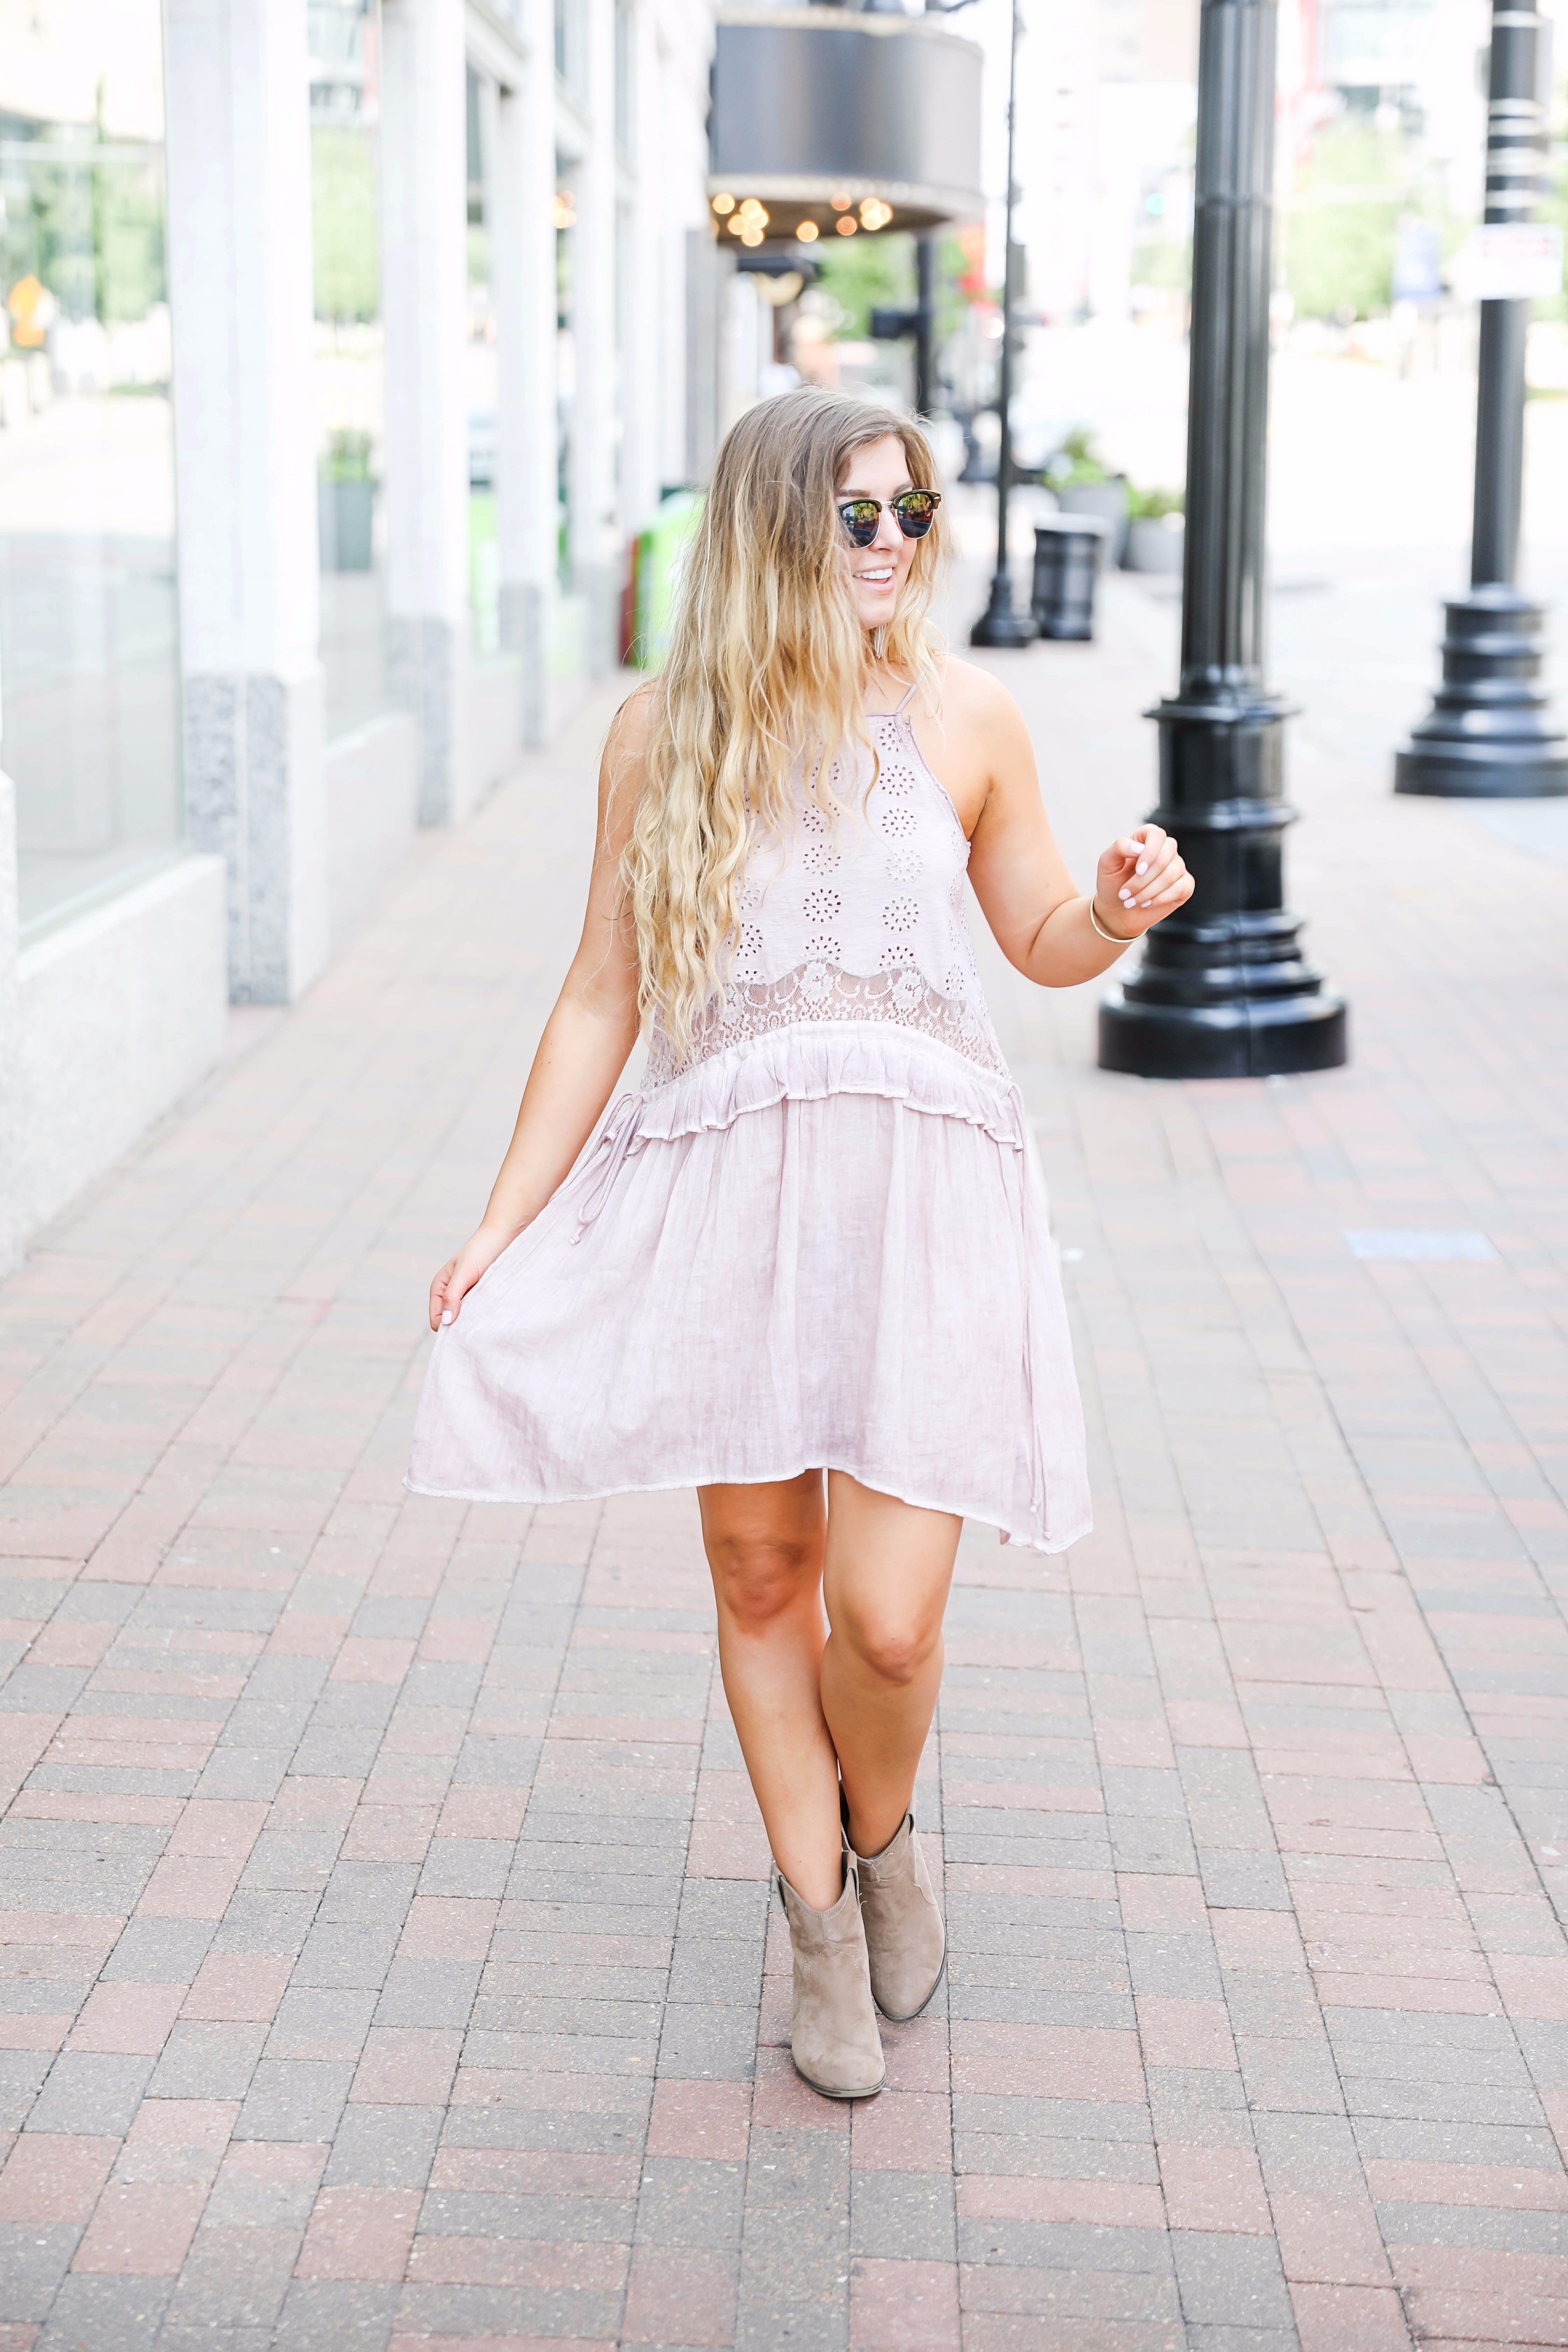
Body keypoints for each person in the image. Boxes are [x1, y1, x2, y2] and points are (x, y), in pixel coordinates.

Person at [407, 388, 1193, 2100]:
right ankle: (820, 1922)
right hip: (732, 1197)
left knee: (889, 1619)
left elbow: (1041, 939)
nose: (896, 543)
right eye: (858, 515)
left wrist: (1116, 914)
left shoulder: (972, 718)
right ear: (776, 524)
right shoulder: (660, 731)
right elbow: (601, 996)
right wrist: (498, 1222)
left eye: (913, 511)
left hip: (928, 1194)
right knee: (763, 1575)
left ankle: (890, 1830)